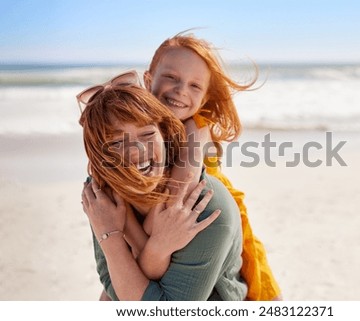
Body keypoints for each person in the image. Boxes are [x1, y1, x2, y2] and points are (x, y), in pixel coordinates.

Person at [78, 74, 247, 300]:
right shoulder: (102, 197)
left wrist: (112, 239)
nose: (137, 150)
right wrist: (154, 248)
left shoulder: (206, 209)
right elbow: (112, 286)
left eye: (147, 134)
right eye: (117, 142)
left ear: (165, 135)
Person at [143, 32, 282, 301]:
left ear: (205, 98)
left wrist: (149, 237)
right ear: (149, 80)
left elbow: (177, 197)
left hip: (221, 224)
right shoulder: (141, 126)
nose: (181, 89)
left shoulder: (197, 128)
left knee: (260, 286)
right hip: (173, 230)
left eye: (195, 86)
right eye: (171, 77)